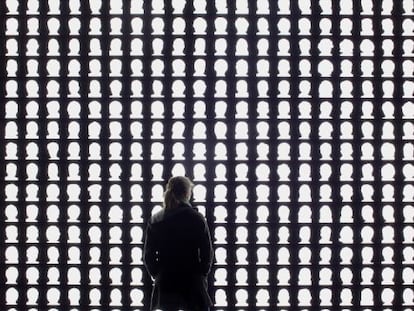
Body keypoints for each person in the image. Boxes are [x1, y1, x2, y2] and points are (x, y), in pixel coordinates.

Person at [144, 176, 214, 311]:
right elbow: (207, 252)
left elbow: (149, 255)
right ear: (187, 193)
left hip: (166, 282)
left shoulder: (156, 219)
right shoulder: (195, 217)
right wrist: (201, 273)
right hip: (191, 280)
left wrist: (158, 274)